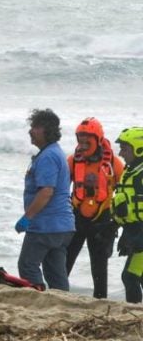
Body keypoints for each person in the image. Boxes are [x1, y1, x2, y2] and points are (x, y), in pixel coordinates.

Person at [15, 109, 74, 291]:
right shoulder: (55, 152)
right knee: (56, 274)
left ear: (47, 130)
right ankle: (63, 304)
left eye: (35, 127)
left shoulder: (48, 156)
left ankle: (38, 299)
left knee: (27, 266)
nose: (30, 131)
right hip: (63, 226)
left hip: (46, 225)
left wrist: (27, 217)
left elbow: (46, 191)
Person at [65, 118, 123, 299]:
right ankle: (56, 294)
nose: (82, 145)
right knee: (64, 260)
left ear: (98, 139)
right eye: (79, 140)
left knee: (99, 266)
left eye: (86, 141)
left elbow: (126, 192)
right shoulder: (72, 161)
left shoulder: (115, 164)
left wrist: (118, 222)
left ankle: (100, 300)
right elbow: (59, 189)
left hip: (102, 219)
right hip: (76, 217)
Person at [110, 127, 143, 303]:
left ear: (139, 149)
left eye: (125, 149)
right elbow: (126, 203)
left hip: (141, 232)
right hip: (133, 230)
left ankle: (134, 314)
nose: (121, 153)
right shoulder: (131, 171)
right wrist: (113, 224)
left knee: (130, 276)